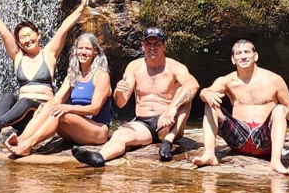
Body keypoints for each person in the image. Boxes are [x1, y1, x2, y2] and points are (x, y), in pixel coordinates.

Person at [0, 0, 91, 144]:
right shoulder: (18, 57)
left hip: (41, 114)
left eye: (29, 34)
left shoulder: (49, 54)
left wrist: (82, 8)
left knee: (26, 101)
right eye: (22, 37)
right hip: (20, 117)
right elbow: (4, 32)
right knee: (8, 97)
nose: (27, 39)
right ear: (19, 42)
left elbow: (64, 29)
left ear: (38, 35)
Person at [72, 26, 198, 167]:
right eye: (148, 44)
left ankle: (168, 142)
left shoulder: (174, 67)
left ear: (164, 46)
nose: (152, 48)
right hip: (143, 124)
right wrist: (118, 91)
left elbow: (193, 85)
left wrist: (171, 109)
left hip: (169, 123)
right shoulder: (135, 67)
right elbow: (120, 103)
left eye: (156, 44)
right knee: (119, 135)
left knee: (186, 95)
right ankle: (99, 157)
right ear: (142, 46)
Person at [192, 39, 289, 175]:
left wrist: (285, 112)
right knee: (210, 105)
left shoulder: (274, 80)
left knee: (279, 109)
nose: (243, 56)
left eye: (247, 52)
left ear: (255, 56)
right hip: (239, 137)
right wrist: (206, 94)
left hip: (264, 138)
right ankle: (209, 154)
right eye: (238, 53)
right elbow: (204, 91)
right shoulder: (228, 80)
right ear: (233, 59)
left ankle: (275, 162)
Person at [6, 33, 112, 158]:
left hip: (97, 130)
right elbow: (56, 100)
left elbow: (95, 109)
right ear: (75, 50)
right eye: (80, 48)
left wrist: (68, 108)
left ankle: (29, 144)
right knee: (47, 108)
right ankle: (21, 140)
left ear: (95, 52)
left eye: (88, 49)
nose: (83, 52)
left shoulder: (101, 76)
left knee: (61, 113)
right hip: (76, 127)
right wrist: (43, 107)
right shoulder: (73, 75)